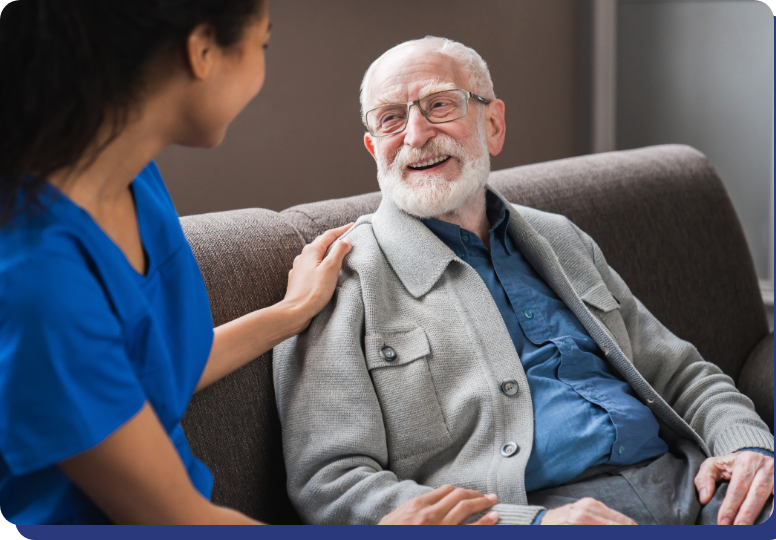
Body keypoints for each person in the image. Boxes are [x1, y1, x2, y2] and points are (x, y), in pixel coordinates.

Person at [0, 2, 499, 525]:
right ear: (202, 52)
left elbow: (146, 367)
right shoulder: (33, 274)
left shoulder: (131, 177)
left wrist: (291, 313)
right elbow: (177, 518)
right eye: (261, 44)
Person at [273, 36, 775, 526]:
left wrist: (747, 444)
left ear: (492, 124)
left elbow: (679, 372)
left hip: (696, 487)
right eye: (391, 119)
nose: (415, 134)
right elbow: (333, 484)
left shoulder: (561, 238)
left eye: (440, 105)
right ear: (373, 147)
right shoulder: (341, 279)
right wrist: (528, 523)